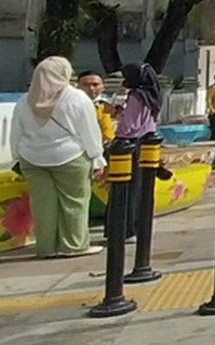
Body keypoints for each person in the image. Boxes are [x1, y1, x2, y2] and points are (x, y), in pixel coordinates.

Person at [10, 57, 106, 257]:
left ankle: (46, 248)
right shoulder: (77, 99)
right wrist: (97, 158)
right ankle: (74, 245)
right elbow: (89, 132)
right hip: (70, 156)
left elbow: (16, 134)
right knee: (75, 202)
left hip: (32, 158)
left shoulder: (24, 101)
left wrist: (17, 158)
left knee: (41, 204)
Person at [115, 62, 163, 238]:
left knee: (129, 188)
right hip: (148, 142)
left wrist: (119, 120)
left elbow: (130, 125)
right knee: (143, 187)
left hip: (131, 144)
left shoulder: (136, 96)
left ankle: (126, 228)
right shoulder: (152, 96)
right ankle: (140, 226)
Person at [77, 70, 116, 145]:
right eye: (85, 85)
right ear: (78, 87)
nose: (91, 88)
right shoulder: (70, 106)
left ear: (103, 87)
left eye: (95, 85)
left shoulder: (112, 105)